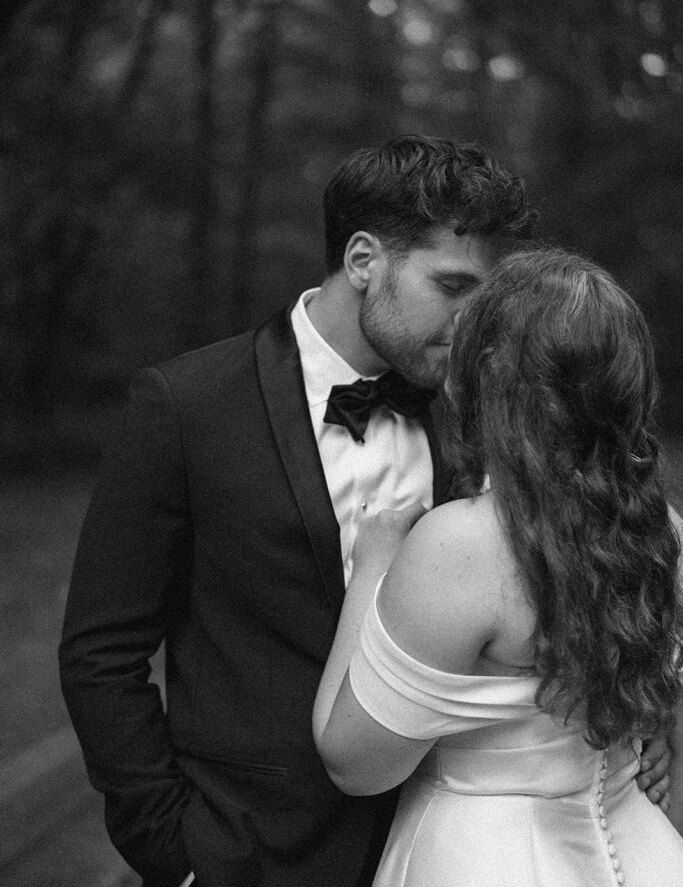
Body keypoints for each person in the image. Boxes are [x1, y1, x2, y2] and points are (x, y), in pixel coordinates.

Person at [59, 137, 668, 887]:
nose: (473, 321)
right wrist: (171, 852)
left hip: (446, 843)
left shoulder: (481, 410)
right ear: (361, 261)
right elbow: (101, 653)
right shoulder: (185, 406)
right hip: (251, 850)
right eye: (451, 286)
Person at [313, 247, 683, 887]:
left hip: (485, 860)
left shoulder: (463, 544)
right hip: (645, 852)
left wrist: (376, 561)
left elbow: (354, 763)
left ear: (479, 376)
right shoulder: (664, 533)